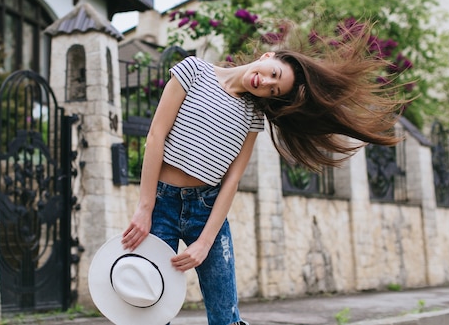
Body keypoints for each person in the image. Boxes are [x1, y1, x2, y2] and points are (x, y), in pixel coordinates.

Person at [121, 21, 405, 325]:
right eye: (274, 74)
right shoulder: (193, 71)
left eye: (274, 89)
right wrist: (145, 206)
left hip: (206, 208)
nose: (266, 83)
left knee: (226, 315)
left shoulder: (252, 114)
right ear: (268, 56)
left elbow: (232, 179)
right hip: (162, 202)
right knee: (149, 308)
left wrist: (204, 241)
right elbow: (155, 137)